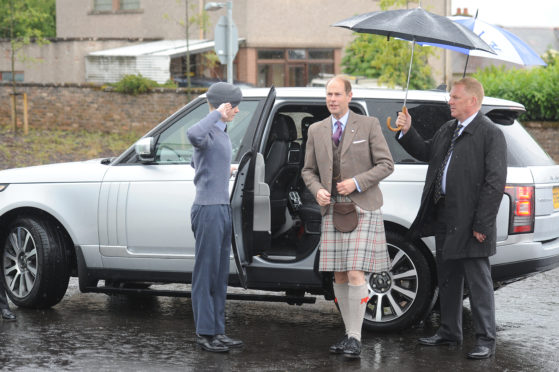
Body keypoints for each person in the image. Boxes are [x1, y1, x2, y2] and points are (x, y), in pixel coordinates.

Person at [395, 77, 507, 360]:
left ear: (472, 101)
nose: (449, 101)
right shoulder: (449, 128)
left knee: (478, 282)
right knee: (448, 276)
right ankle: (449, 331)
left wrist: (482, 225)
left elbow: (495, 183)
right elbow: (425, 151)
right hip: (444, 214)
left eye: (455, 97)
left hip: (471, 222)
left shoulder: (490, 133)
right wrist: (407, 131)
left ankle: (485, 340)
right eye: (450, 97)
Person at [301, 75, 394, 358]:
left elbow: (386, 164)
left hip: (362, 206)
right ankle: (348, 332)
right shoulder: (316, 130)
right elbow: (308, 171)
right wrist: (317, 190)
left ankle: (355, 337)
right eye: (328, 94)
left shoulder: (368, 125)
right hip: (332, 209)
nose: (332, 99)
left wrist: (356, 182)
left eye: (337, 94)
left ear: (349, 96)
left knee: (355, 272)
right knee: (339, 274)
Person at [187, 82, 244, 353]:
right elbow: (192, 134)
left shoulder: (221, 133)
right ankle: (204, 333)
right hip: (208, 209)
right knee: (205, 275)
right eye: (234, 107)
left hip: (221, 207)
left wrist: (226, 170)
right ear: (224, 105)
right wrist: (215, 114)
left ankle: (217, 332)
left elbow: (197, 162)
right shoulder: (208, 129)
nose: (237, 111)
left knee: (219, 276)